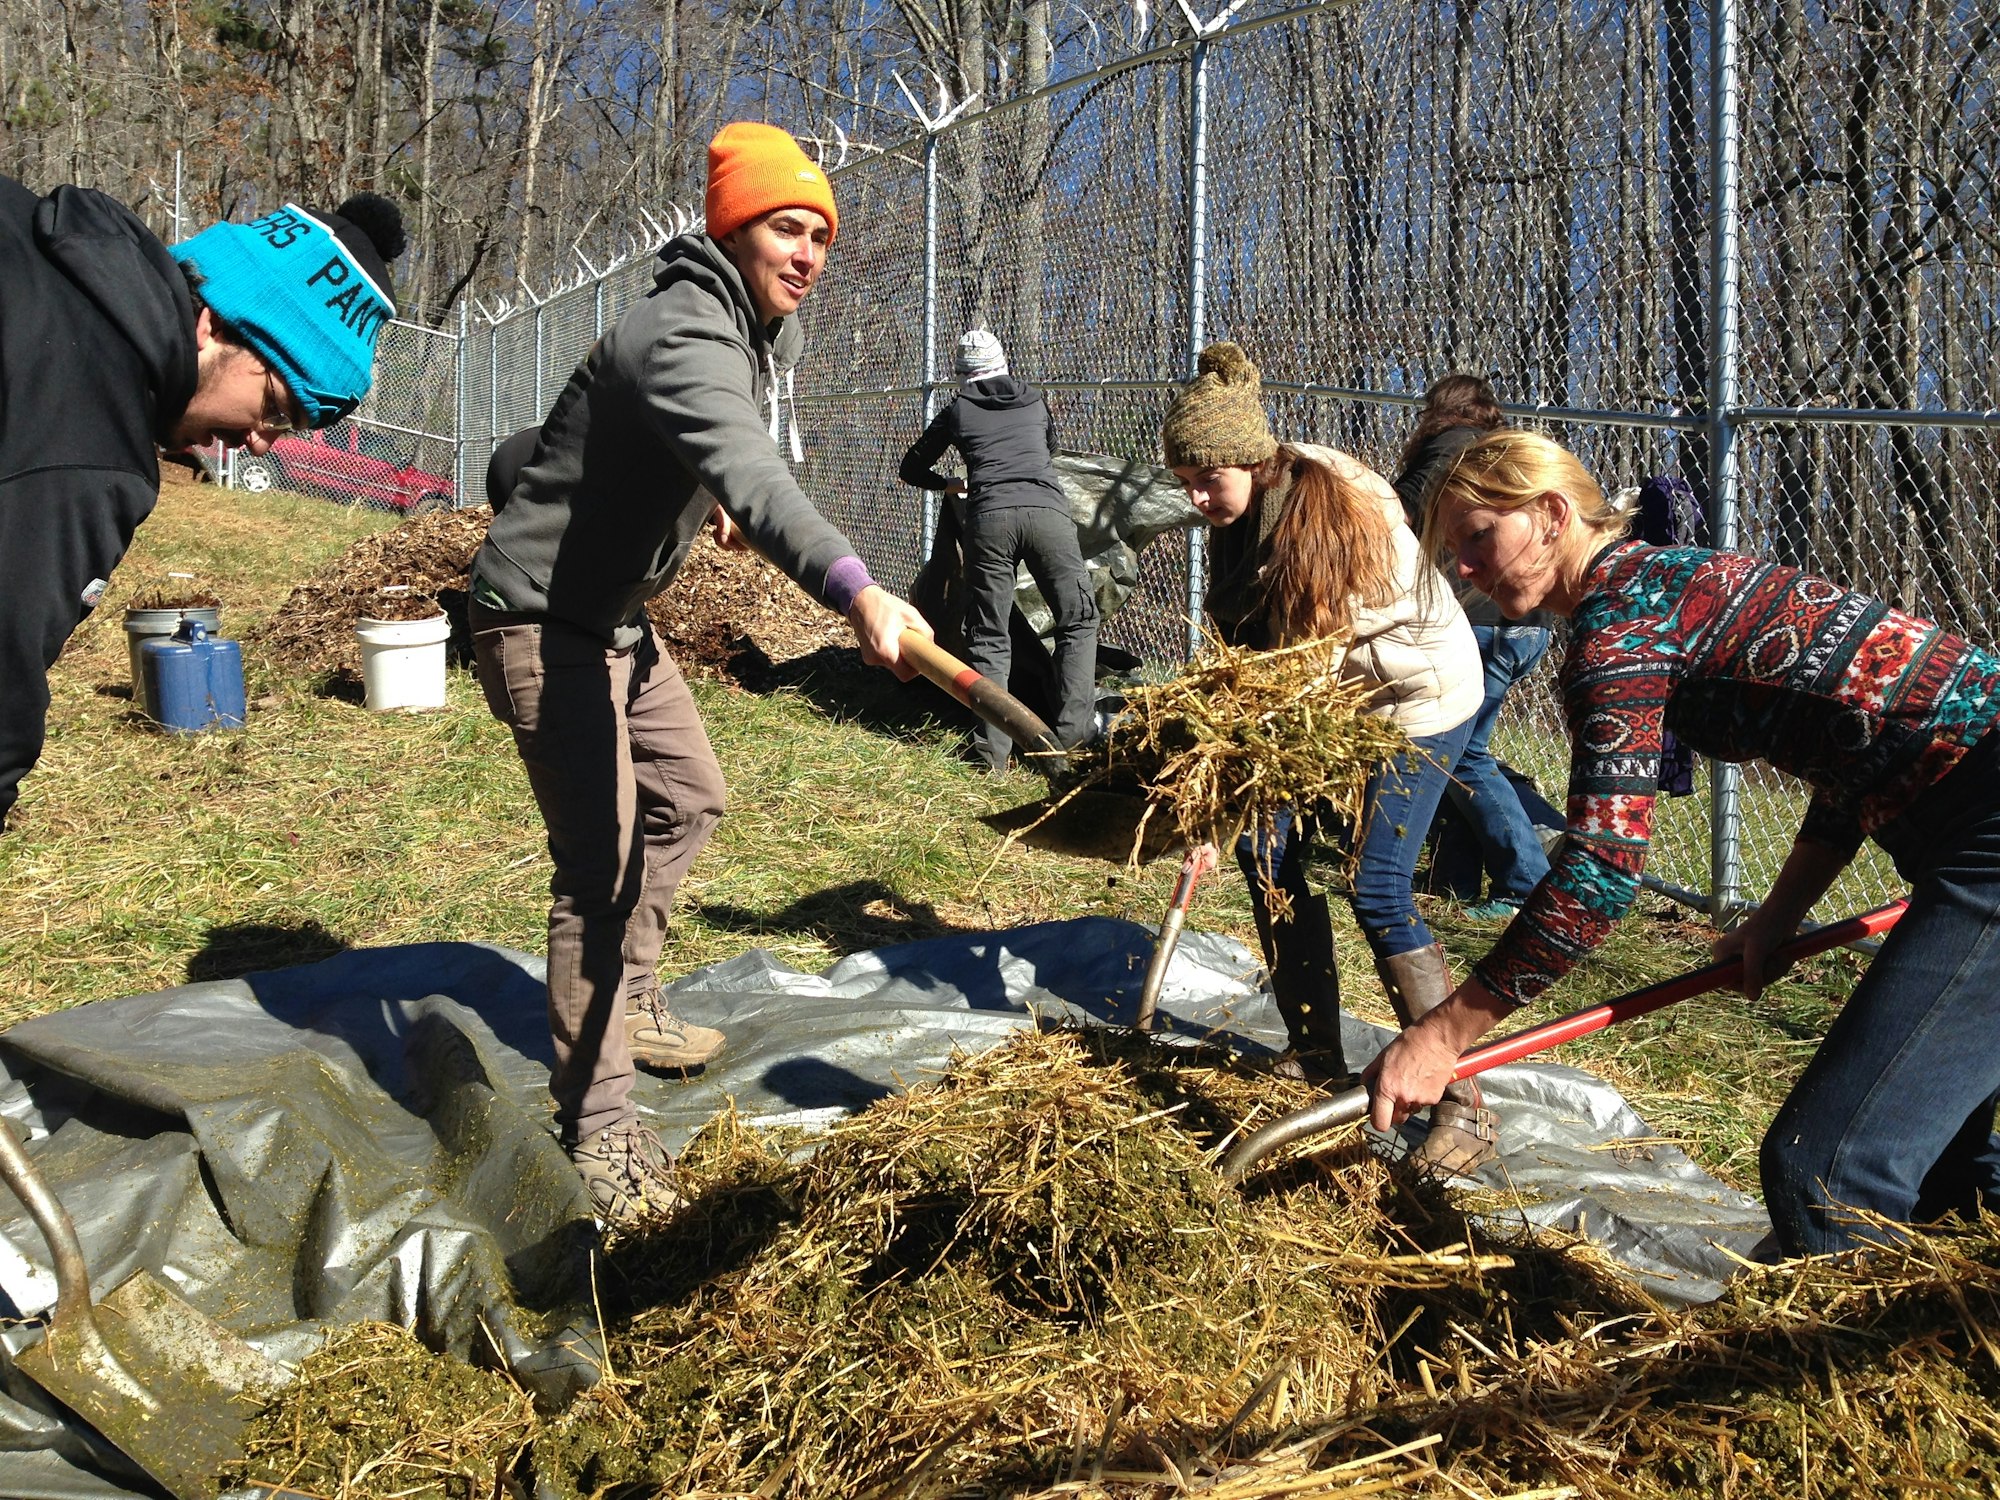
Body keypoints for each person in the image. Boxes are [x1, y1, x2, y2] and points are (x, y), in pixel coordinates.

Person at [1372, 428, 2000, 1254]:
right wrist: (1778, 916)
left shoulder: (1621, 624)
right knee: (1945, 1177)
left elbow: (1600, 869)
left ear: (1554, 513)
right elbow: (1852, 755)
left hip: (1987, 834)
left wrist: (1442, 1034)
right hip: (1967, 830)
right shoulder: (1663, 583)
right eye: (1455, 550)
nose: (1466, 567)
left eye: (1481, 536)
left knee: (1830, 1172)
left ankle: (1857, 1368)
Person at [469, 122, 933, 1231]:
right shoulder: (686, 328)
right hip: (543, 623)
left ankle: (624, 999)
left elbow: (679, 454)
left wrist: (692, 500)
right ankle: (599, 1125)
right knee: (602, 871)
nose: (810, 253)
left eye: (822, 234)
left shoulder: (721, 327)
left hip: (613, 623)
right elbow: (753, 466)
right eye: (788, 226)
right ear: (732, 228)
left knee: (691, 795)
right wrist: (855, 586)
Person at [1161, 342, 1492, 1174]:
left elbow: (1291, 679)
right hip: (1338, 696)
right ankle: (1314, 1050)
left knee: (1376, 881)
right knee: (1262, 851)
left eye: (1209, 478)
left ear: (1251, 457)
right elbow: (1244, 653)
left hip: (1417, 697)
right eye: (1185, 479)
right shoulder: (1248, 512)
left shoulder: (1322, 518)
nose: (1196, 495)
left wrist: (1219, 782)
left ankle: (1464, 1107)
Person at [0, 177, 404, 832]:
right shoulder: (92, 441)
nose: (259, 444)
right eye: (274, 408)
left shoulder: (36, 237)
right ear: (212, 323)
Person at [898, 329, 1098, 771]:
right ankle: (1068, 747)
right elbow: (1051, 450)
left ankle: (992, 757)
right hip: (1048, 515)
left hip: (989, 520)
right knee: (1078, 619)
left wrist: (950, 483)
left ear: (963, 376)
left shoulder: (957, 411)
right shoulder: (1034, 400)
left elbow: (911, 468)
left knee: (989, 634)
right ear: (1004, 365)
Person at [1393, 374, 1550, 921]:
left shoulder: (1448, 447)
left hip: (1480, 624)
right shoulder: (1492, 453)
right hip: (1524, 621)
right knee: (1457, 748)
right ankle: (1451, 881)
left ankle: (1528, 884)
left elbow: (1395, 515)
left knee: (1461, 753)